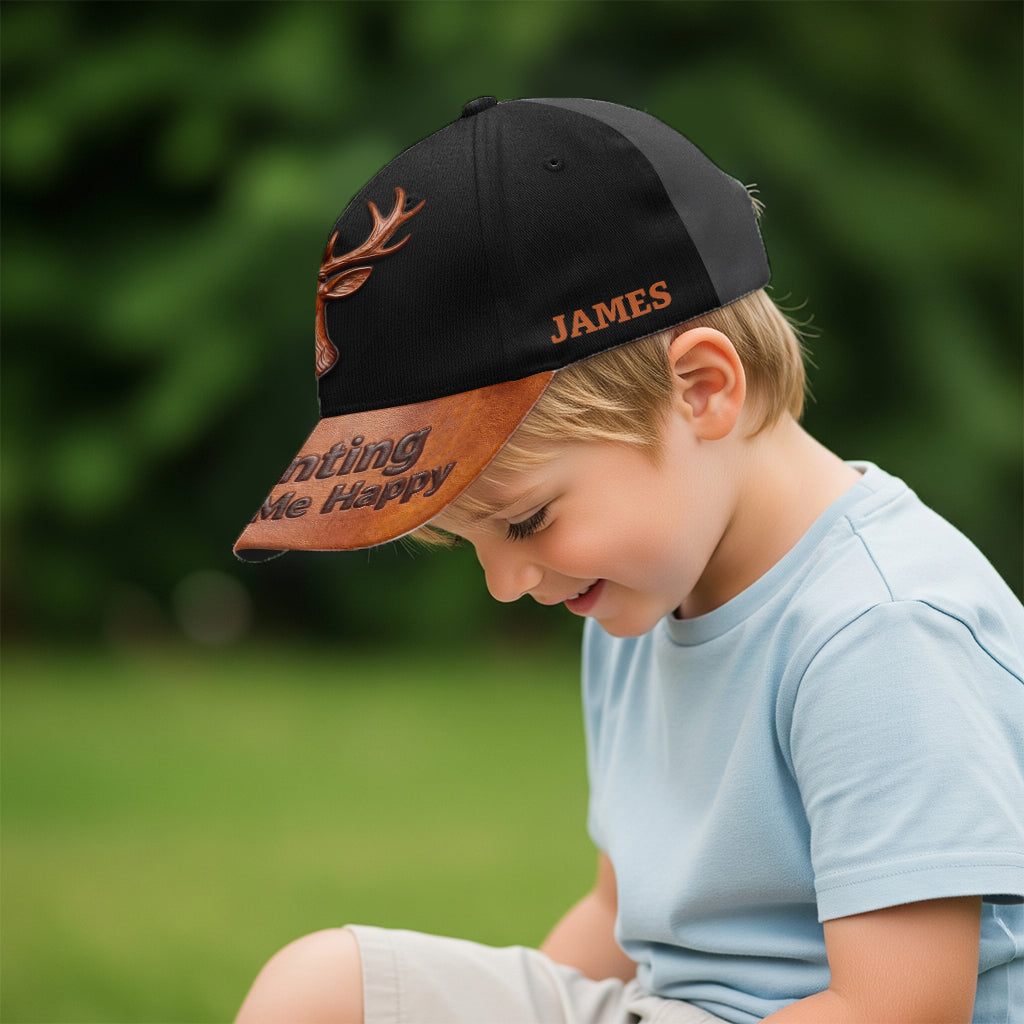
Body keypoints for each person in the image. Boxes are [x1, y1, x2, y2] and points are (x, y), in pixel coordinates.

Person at [232, 97, 1024, 1023]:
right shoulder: (635, 594)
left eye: (524, 521)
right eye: (472, 542)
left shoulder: (878, 628)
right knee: (322, 991)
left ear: (701, 390)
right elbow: (620, 918)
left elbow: (899, 1009)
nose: (505, 583)